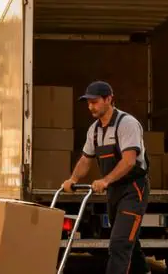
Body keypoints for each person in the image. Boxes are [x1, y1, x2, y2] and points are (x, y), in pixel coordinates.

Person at [62, 80, 151, 274]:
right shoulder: (94, 130)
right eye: (88, 103)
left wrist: (105, 180)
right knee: (129, 241)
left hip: (133, 189)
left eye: (94, 102)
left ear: (109, 99)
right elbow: (86, 159)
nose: (90, 107)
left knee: (119, 244)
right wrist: (73, 179)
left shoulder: (127, 124)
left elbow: (129, 161)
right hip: (114, 192)